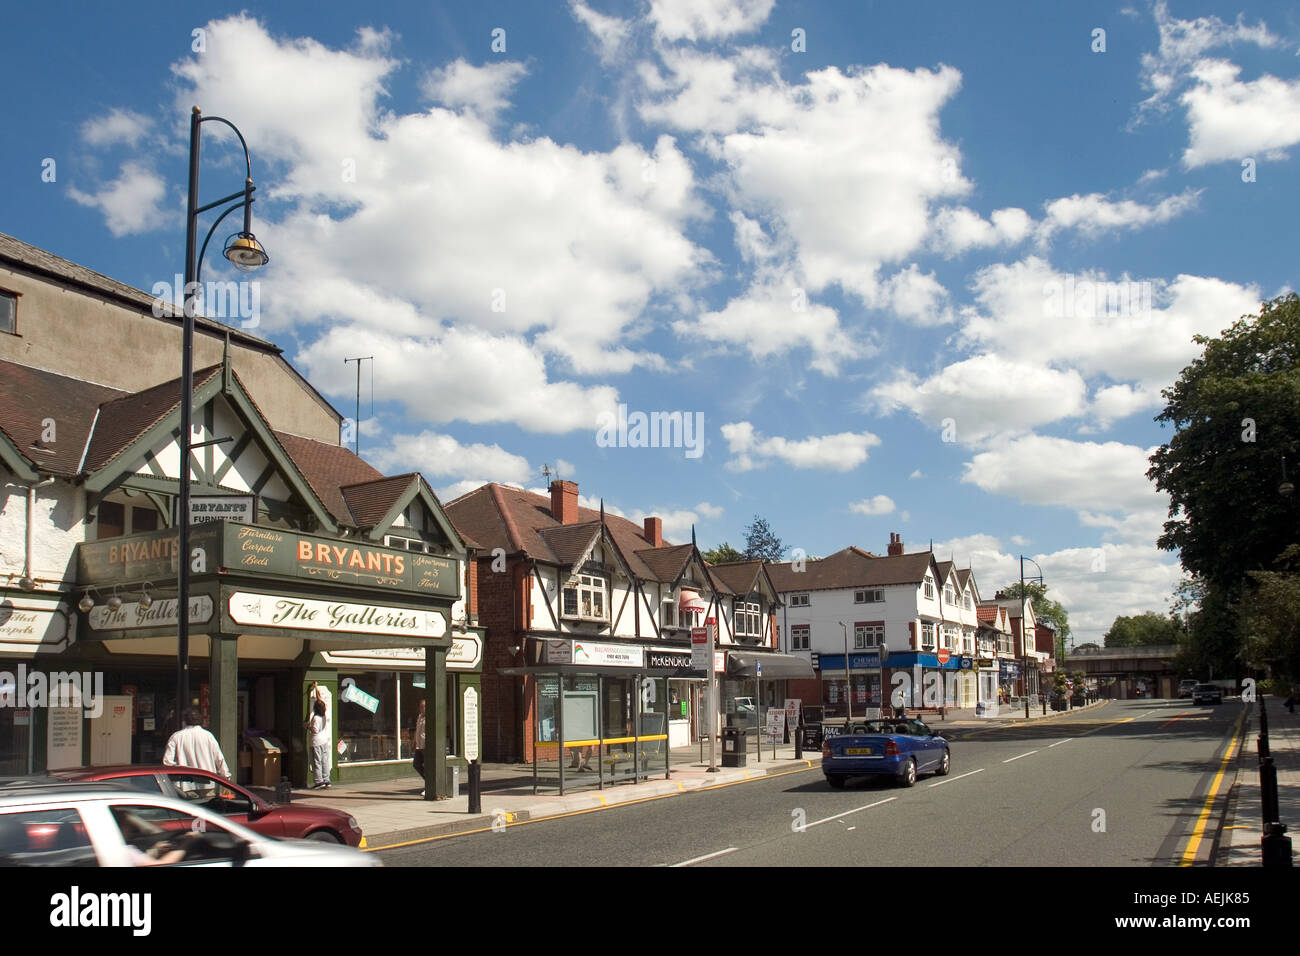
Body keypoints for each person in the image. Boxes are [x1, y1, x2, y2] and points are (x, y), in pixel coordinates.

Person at [163, 708, 231, 779]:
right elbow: (219, 758)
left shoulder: (176, 737)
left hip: (185, 783)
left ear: (184, 721)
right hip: (208, 781)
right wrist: (225, 776)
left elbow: (167, 762)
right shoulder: (208, 736)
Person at [306, 682, 331, 789]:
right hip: (324, 740)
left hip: (316, 741)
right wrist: (316, 687)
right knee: (325, 760)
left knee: (317, 761)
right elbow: (320, 698)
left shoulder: (315, 718)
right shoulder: (324, 715)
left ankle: (318, 781)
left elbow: (314, 730)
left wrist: (306, 726)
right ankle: (327, 780)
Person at [412, 700, 426, 797]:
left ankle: (429, 786)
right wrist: (414, 741)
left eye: (423, 707)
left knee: (428, 767)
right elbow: (417, 730)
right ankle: (429, 782)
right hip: (419, 745)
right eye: (420, 707)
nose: (421, 709)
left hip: (426, 746)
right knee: (416, 764)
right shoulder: (419, 717)